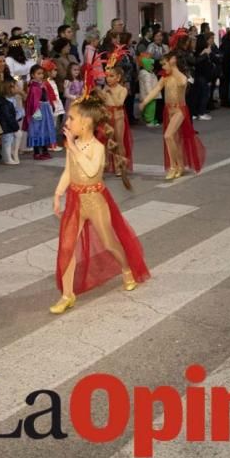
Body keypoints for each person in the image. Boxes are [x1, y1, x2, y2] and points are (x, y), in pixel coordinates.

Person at [49, 95, 149, 314]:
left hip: (95, 201)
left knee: (109, 242)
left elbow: (92, 170)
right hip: (76, 200)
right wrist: (58, 194)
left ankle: (126, 269)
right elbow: (69, 171)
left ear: (85, 123)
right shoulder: (72, 145)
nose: (67, 123)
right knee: (67, 247)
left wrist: (74, 149)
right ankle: (67, 295)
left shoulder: (97, 147)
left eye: (71, 118)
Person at [138, 51, 206, 179]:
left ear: (173, 62)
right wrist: (145, 102)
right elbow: (156, 90)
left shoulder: (181, 77)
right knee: (175, 139)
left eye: (164, 64)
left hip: (179, 110)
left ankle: (174, 166)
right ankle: (179, 166)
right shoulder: (165, 77)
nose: (162, 67)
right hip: (168, 110)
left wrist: (174, 67)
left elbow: (182, 82)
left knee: (168, 136)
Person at [96, 65, 132, 177]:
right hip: (107, 117)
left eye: (112, 76)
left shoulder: (123, 89)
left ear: (118, 77)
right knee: (107, 142)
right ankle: (105, 164)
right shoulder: (105, 89)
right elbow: (100, 102)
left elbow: (119, 103)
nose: (108, 79)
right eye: (107, 76)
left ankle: (120, 165)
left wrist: (110, 93)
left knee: (119, 141)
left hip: (119, 117)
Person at [24, 64, 57, 160]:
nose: (41, 75)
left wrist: (51, 104)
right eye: (38, 74)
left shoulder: (42, 84)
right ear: (33, 75)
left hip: (45, 108)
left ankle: (45, 150)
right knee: (37, 130)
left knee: (45, 129)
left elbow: (47, 96)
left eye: (42, 73)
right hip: (37, 110)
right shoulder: (33, 86)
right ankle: (37, 152)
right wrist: (35, 111)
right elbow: (31, 100)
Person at [137, 56, 161, 127]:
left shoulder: (147, 73)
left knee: (146, 107)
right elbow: (148, 85)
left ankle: (145, 118)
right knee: (151, 108)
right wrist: (151, 93)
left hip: (146, 94)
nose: (152, 67)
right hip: (150, 94)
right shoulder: (147, 74)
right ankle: (149, 121)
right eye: (151, 65)